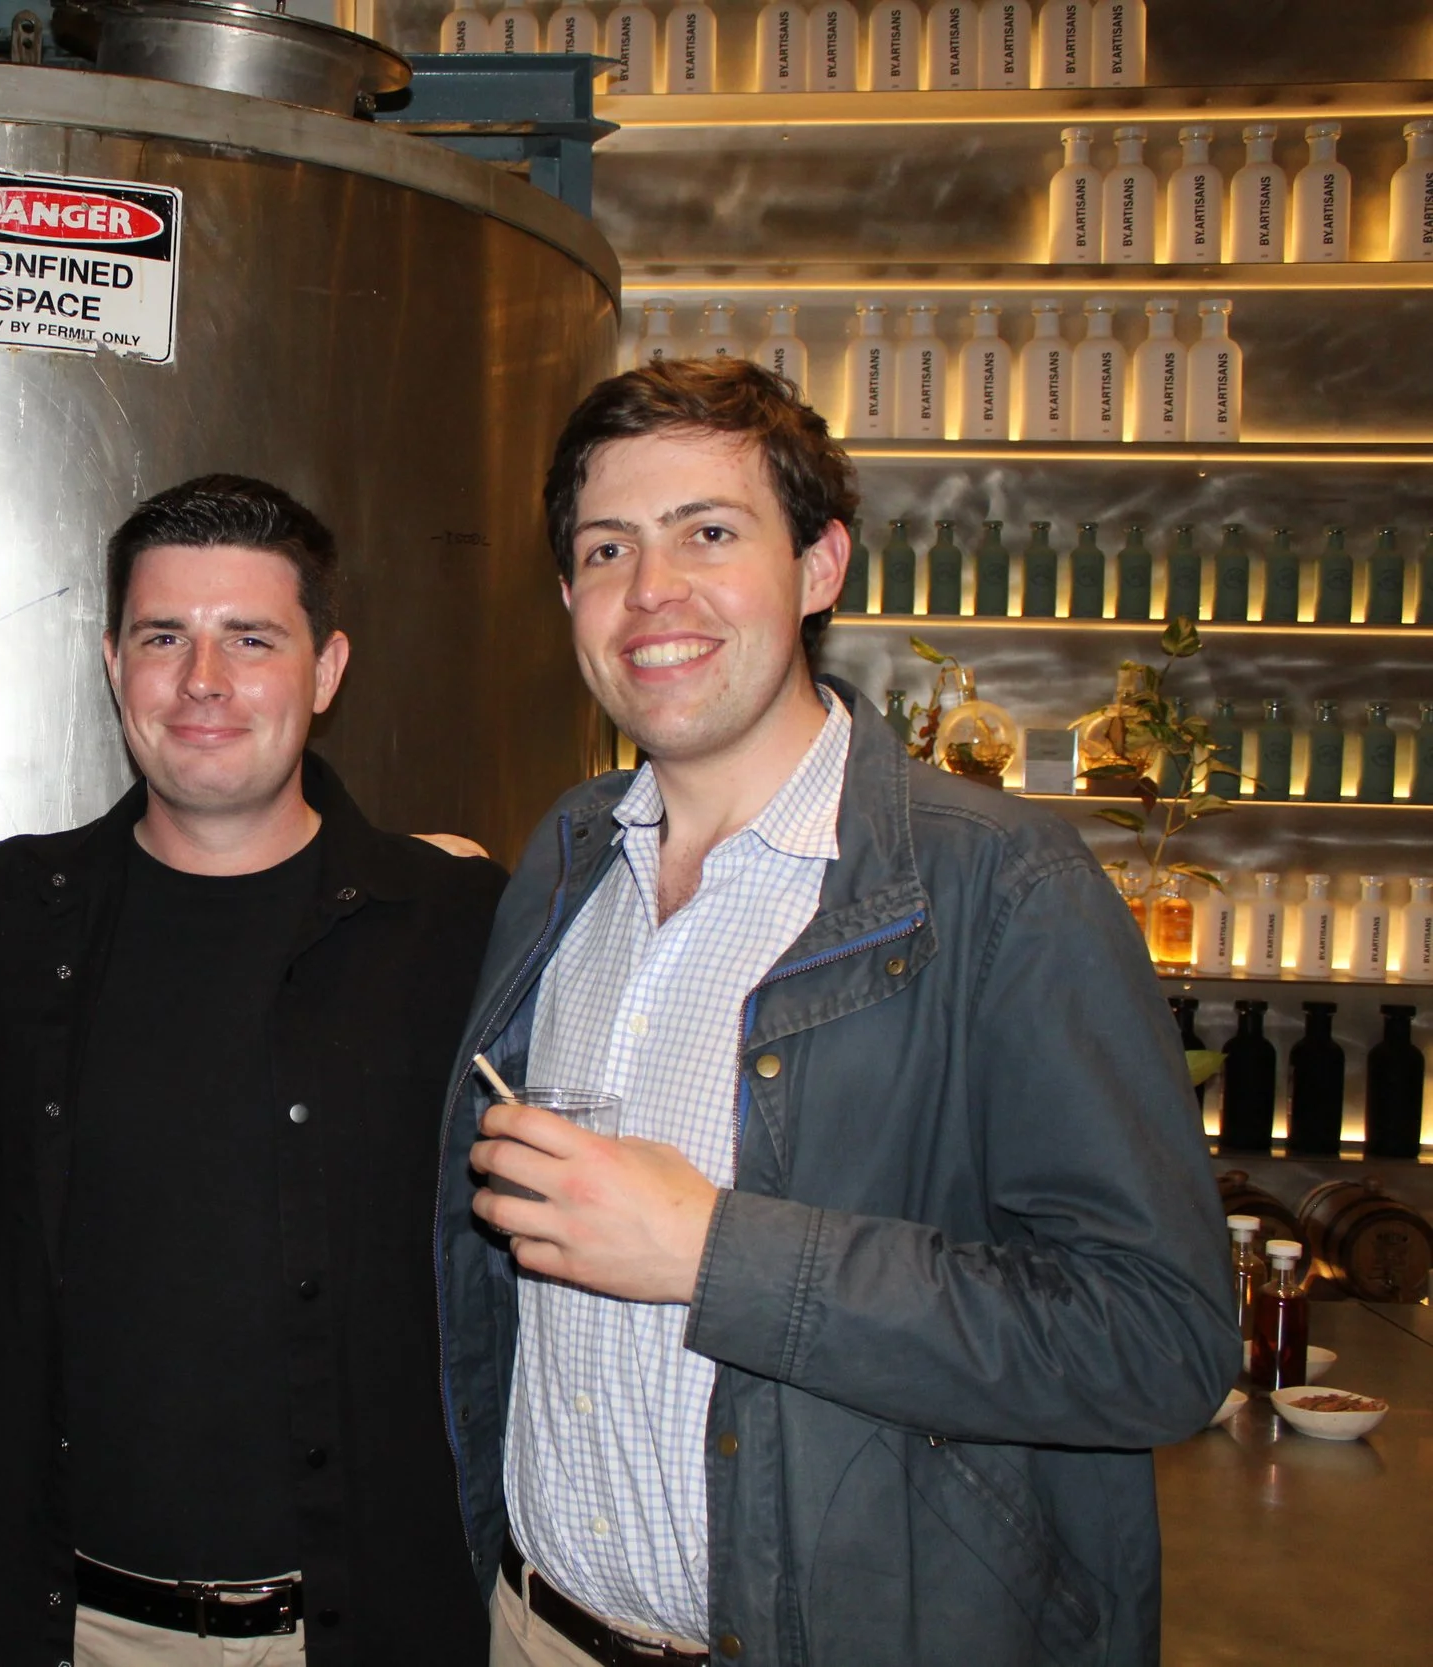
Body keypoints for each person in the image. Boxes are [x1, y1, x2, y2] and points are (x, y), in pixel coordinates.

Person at [437, 360, 1239, 1667]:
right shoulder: (569, 857)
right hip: (536, 1627)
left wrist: (717, 1252)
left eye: (709, 531)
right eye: (606, 547)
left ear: (819, 565)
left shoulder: (996, 884)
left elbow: (1156, 1336)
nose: (653, 591)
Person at [0, 476, 504, 1667]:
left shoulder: (459, 930)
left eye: (251, 638)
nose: (204, 681)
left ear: (326, 670)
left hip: (375, 1625)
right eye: (163, 636)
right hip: (72, 1629)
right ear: (113, 662)